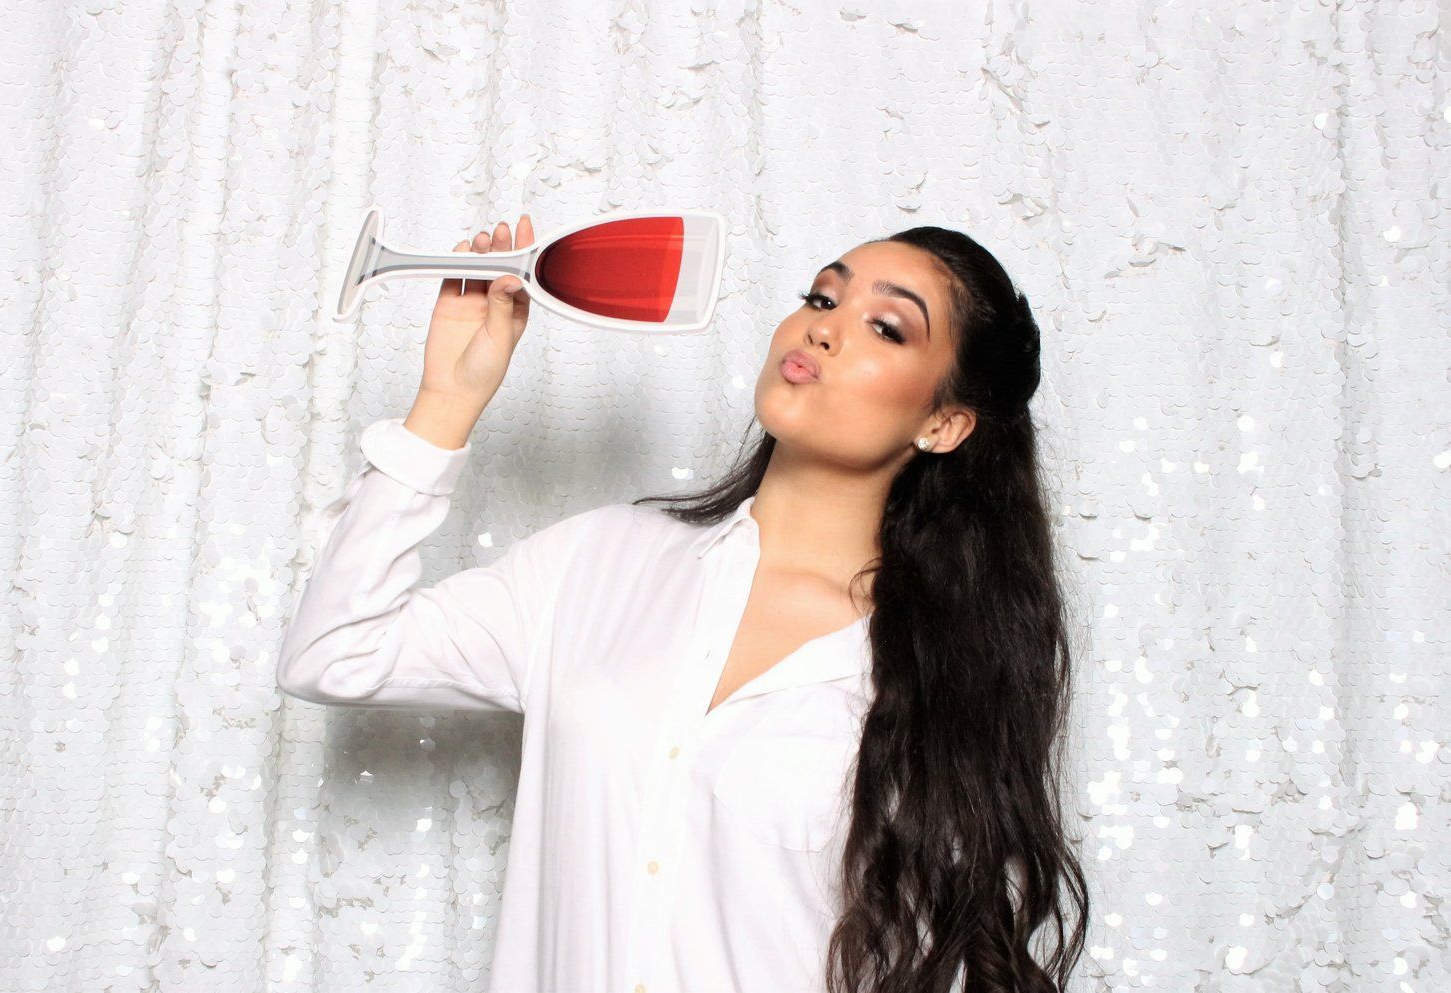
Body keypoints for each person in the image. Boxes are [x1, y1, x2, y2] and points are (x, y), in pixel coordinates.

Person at [277, 214, 1092, 993]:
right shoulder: (600, 559)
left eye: (887, 327)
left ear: (944, 423)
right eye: (822, 297)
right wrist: (445, 403)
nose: (824, 329)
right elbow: (334, 653)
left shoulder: (935, 675)